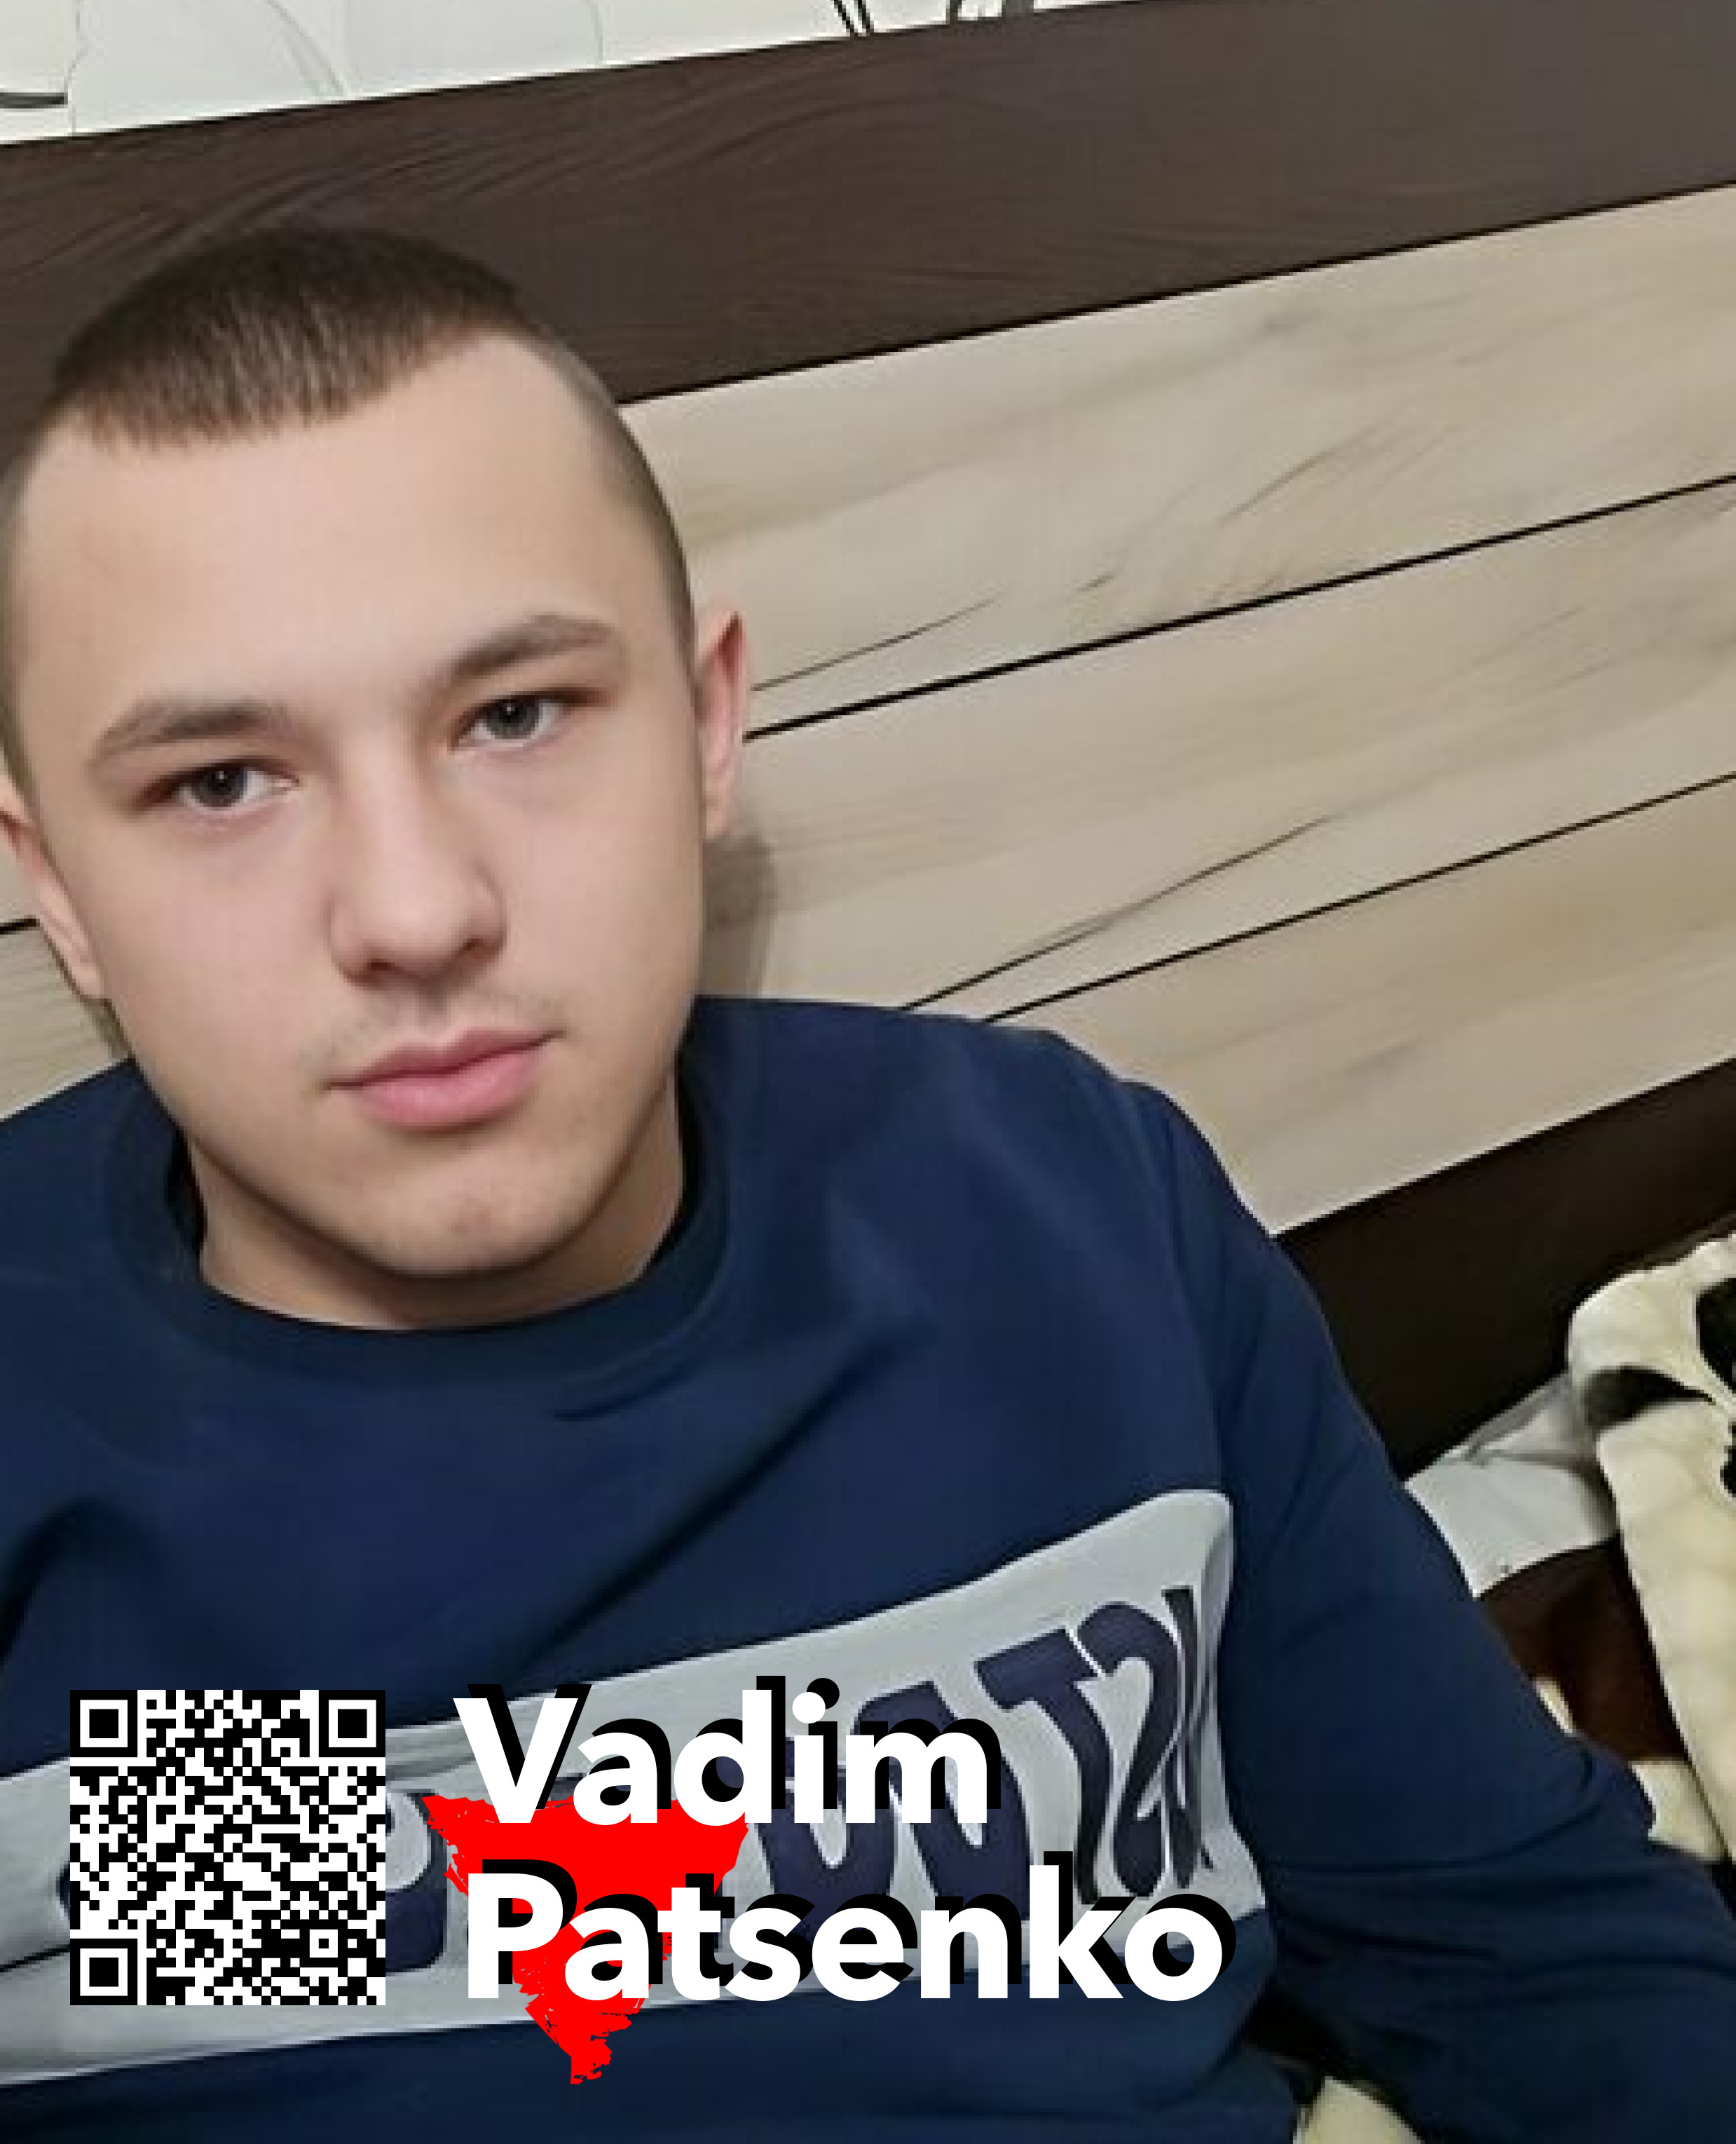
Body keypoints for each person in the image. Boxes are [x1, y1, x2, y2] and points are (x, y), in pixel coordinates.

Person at [0, 225, 1731, 2143]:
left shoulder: (1074, 1214)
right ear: (55, 881)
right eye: (221, 783)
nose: (413, 910)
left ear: (706, 728)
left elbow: (1524, 1944)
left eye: (517, 715)